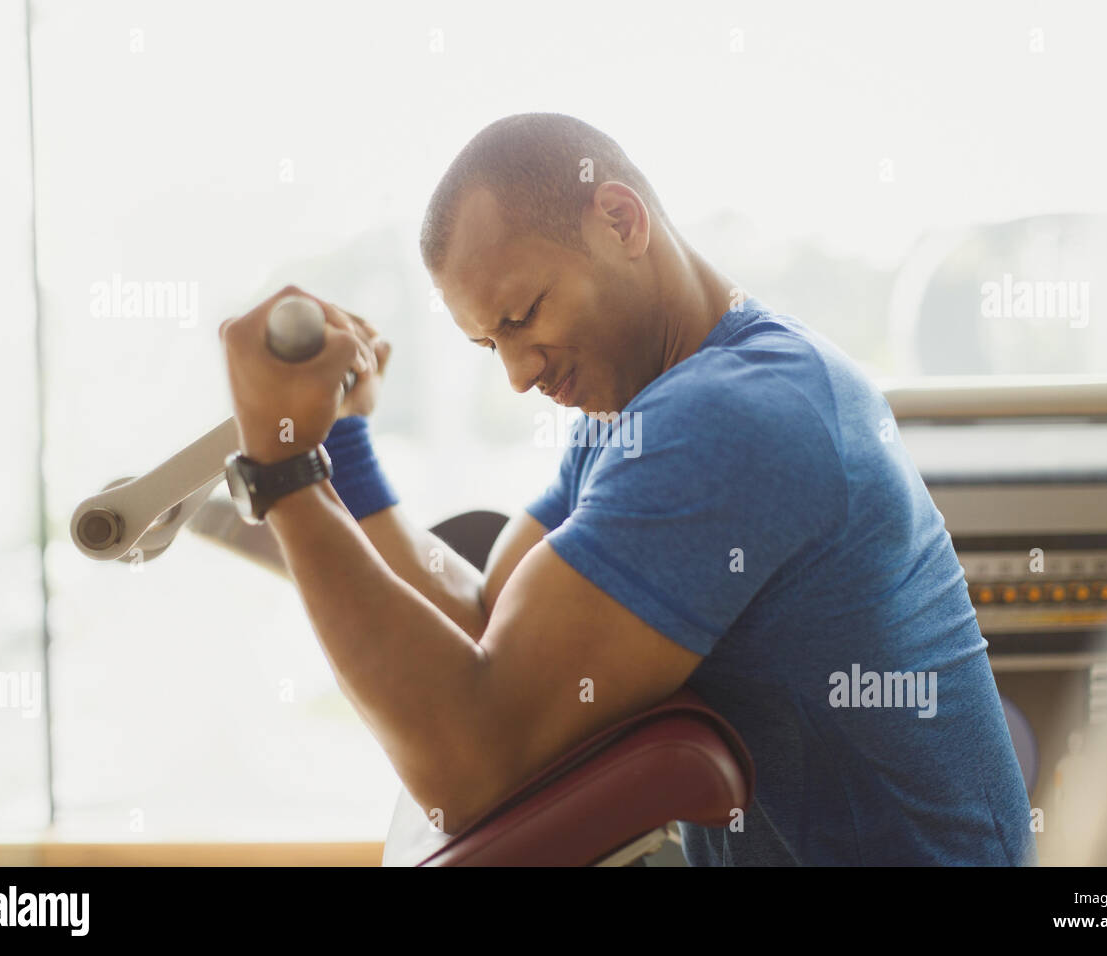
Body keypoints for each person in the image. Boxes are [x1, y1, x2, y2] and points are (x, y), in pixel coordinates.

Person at [218, 112, 1036, 865]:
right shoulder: (638, 408)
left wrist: (287, 473)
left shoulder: (737, 417)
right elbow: (486, 618)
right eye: (487, 345)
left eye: (524, 316)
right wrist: (345, 446)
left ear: (621, 221)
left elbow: (469, 763)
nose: (517, 373)